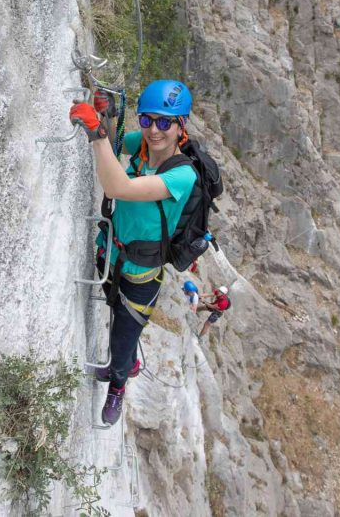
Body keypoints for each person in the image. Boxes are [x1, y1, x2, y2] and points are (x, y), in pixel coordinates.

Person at [69, 79, 198, 425]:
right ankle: (123, 363)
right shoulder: (142, 144)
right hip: (111, 254)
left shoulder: (183, 175)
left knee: (122, 342)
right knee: (116, 321)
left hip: (142, 276)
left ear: (180, 126)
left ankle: (119, 384)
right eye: (147, 120)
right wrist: (108, 118)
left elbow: (118, 186)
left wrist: (96, 133)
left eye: (164, 122)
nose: (154, 131)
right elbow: (113, 146)